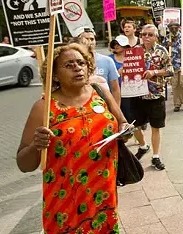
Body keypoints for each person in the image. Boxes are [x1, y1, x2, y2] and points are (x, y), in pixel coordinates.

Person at [16, 43, 131, 233]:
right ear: (54, 74)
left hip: (104, 197)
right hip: (65, 204)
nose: (77, 68)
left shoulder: (100, 93)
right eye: (68, 65)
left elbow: (123, 124)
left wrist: (125, 132)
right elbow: (23, 164)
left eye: (81, 63)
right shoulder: (43, 108)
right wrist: (37, 145)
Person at [133, 24, 174, 170]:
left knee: (156, 127)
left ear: (156, 36)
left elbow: (170, 70)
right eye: (144, 34)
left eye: (150, 34)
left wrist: (154, 72)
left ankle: (156, 156)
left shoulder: (162, 51)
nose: (146, 37)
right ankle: (144, 146)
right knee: (134, 125)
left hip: (156, 94)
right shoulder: (135, 51)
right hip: (137, 95)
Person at [73, 27, 121, 105]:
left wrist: (116, 109)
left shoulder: (107, 61)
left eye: (92, 39)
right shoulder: (73, 63)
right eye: (86, 39)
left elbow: (115, 89)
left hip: (105, 107)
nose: (89, 42)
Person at [163, 22, 183, 112]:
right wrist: (168, 45)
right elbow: (163, 50)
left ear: (178, 27)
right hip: (172, 64)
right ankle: (177, 104)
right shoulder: (167, 38)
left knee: (182, 84)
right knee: (175, 85)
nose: (173, 29)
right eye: (171, 27)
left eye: (175, 27)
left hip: (182, 63)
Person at [108, 34, 134, 122]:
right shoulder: (109, 60)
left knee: (131, 117)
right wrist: (118, 73)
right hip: (116, 92)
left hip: (131, 92)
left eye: (119, 44)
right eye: (115, 44)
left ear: (126, 46)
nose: (116, 46)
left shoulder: (133, 58)